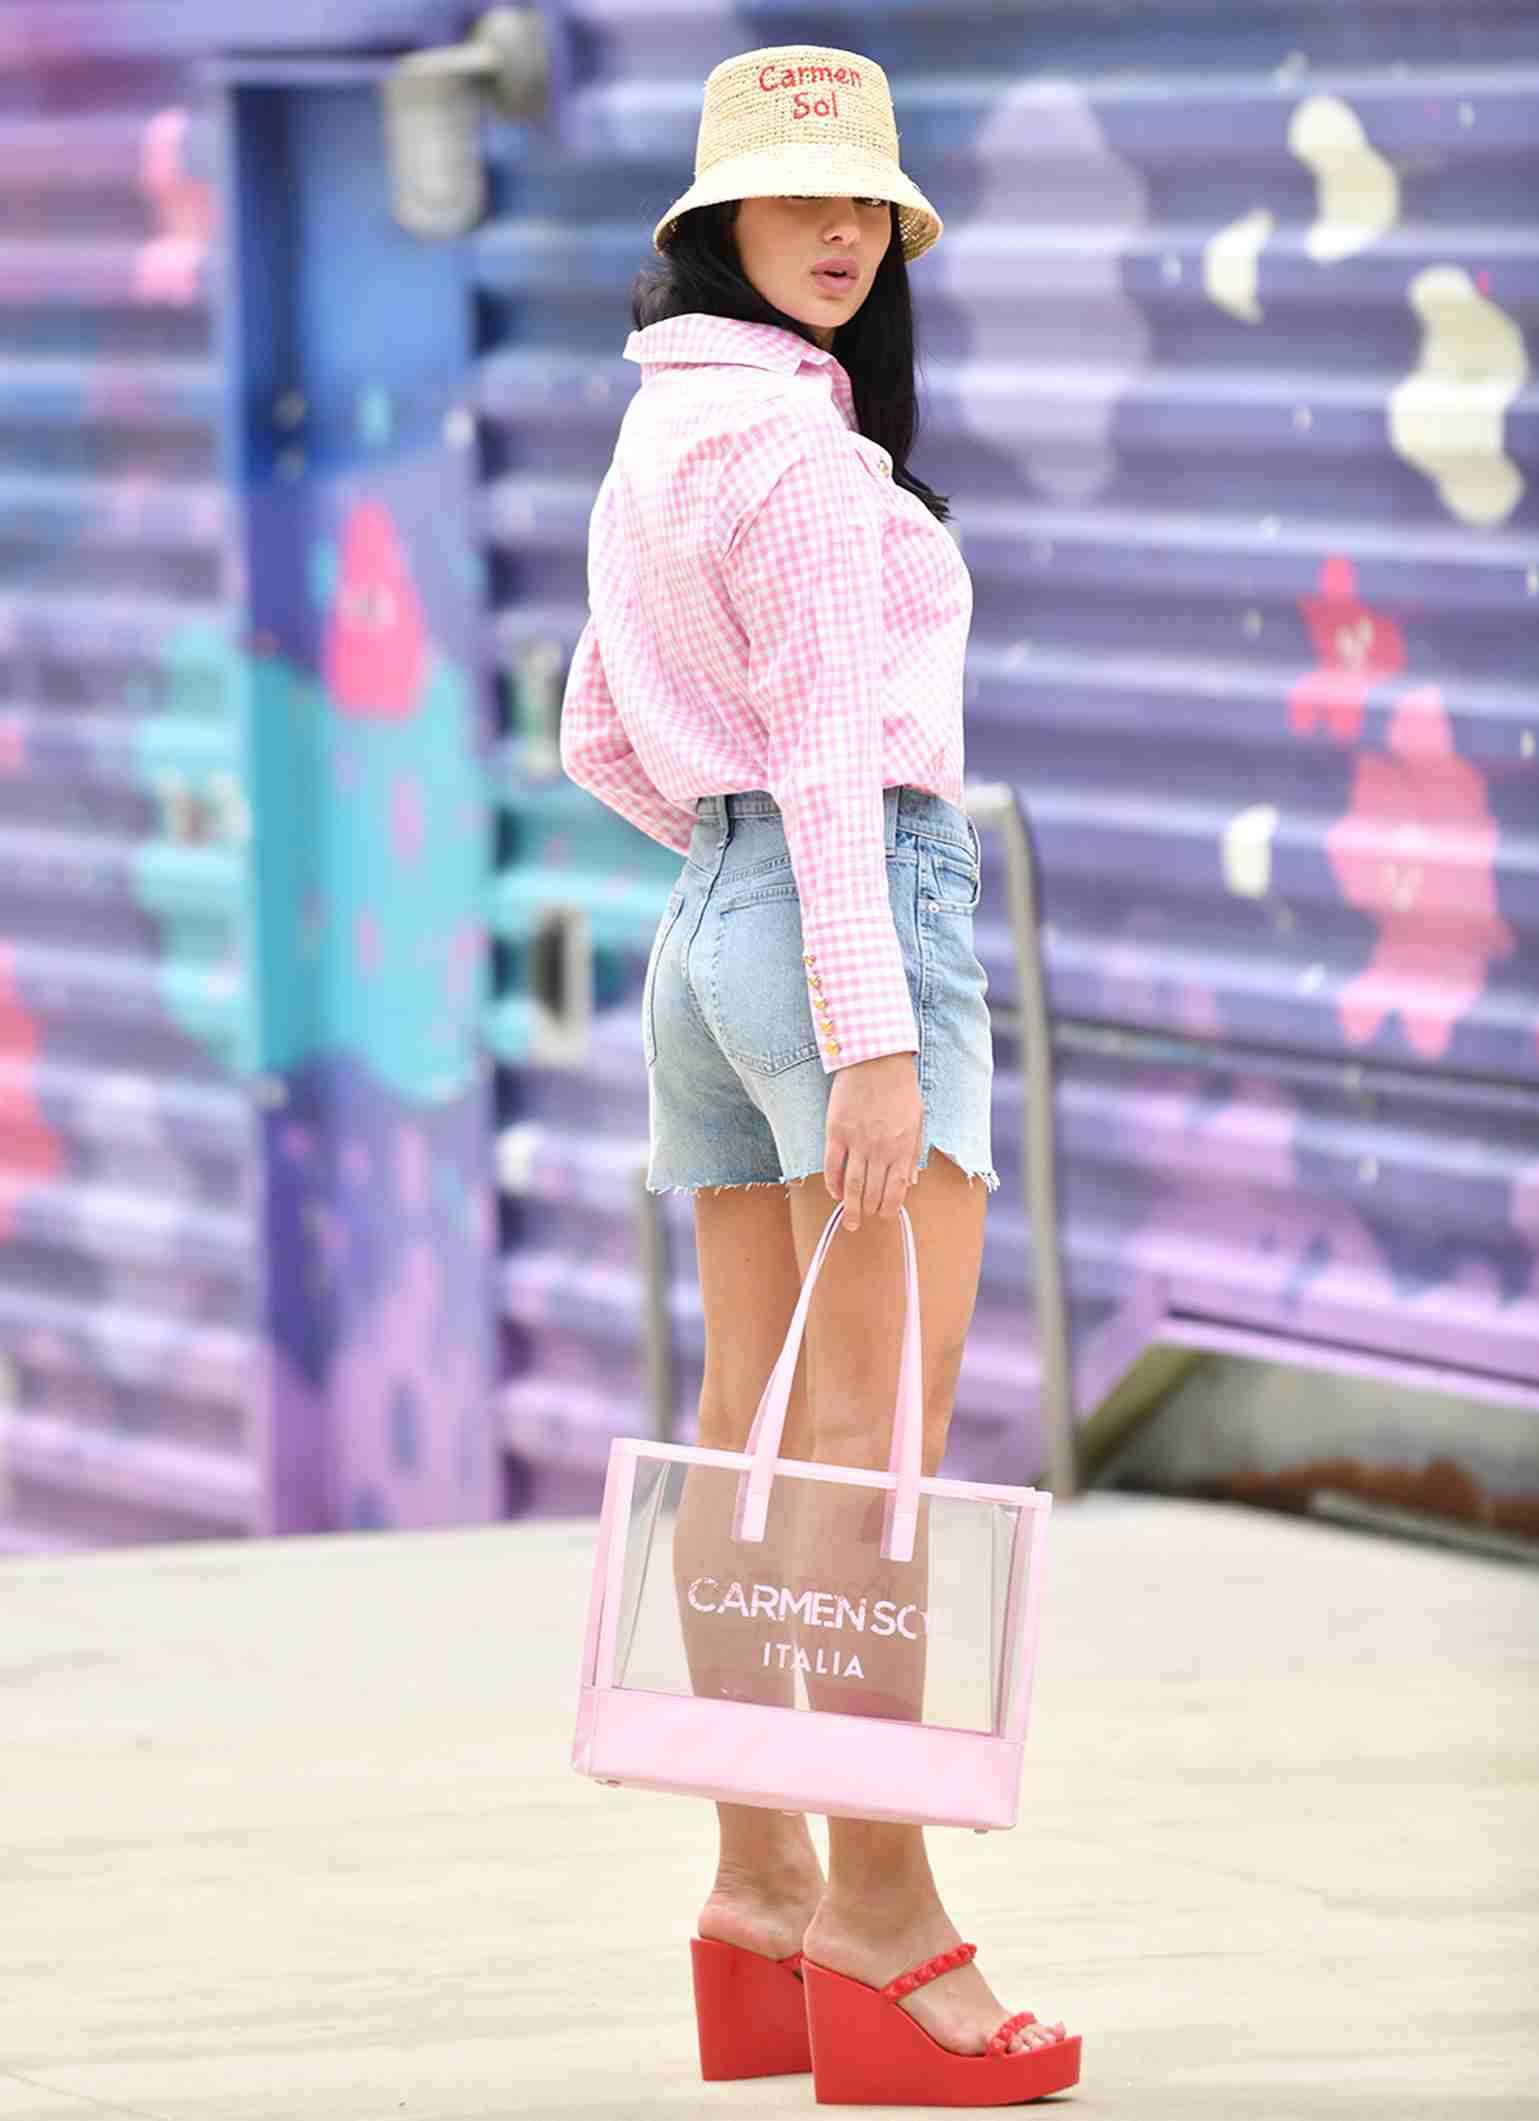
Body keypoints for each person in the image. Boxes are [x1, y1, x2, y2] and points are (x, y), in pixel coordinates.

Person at [560, 40, 1079, 2105]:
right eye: (804, 201)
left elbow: (605, 739)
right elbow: (837, 785)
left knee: (741, 1426)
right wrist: (859, 1020)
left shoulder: (654, 441)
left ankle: (753, 1886)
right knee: (870, 1448)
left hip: (714, 935)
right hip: (841, 930)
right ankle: (879, 1920)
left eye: (869, 202)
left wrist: (739, 907)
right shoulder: (794, 459)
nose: (846, 230)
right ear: (715, 227)